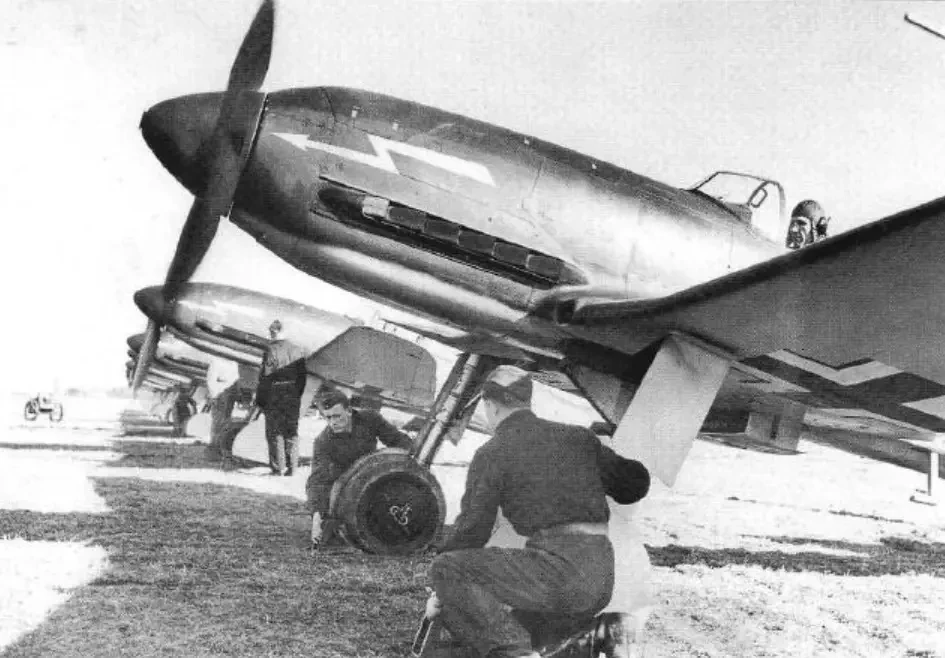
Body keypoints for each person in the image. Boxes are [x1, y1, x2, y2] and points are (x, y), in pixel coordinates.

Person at [427, 366, 651, 658]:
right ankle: (600, 633)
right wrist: (597, 457)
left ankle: (517, 654)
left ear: (490, 406)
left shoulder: (493, 452)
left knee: (447, 567)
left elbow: (473, 531)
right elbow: (634, 485)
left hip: (557, 571)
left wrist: (441, 585)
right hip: (600, 575)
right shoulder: (578, 438)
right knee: (529, 630)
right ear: (527, 400)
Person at [306, 389, 414, 548]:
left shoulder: (370, 419)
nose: (333, 422)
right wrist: (316, 519)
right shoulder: (323, 442)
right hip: (347, 492)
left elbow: (399, 441)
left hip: (375, 480)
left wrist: (405, 467)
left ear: (349, 411)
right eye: (328, 417)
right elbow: (317, 481)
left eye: (337, 416)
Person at [256, 319, 307, 476]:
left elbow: (265, 376)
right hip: (292, 394)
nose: (270, 334)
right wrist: (296, 394)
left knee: (274, 432)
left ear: (276, 332)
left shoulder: (271, 350)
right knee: (291, 431)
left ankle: (278, 468)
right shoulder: (298, 350)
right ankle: (293, 468)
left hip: (275, 393)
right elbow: (302, 377)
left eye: (272, 332)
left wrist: (261, 399)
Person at [206, 357, 240, 461]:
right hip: (220, 394)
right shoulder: (216, 361)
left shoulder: (234, 363)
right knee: (218, 423)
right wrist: (214, 396)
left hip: (229, 394)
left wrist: (236, 394)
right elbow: (211, 381)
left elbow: (236, 380)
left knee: (225, 422)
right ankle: (214, 450)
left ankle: (221, 449)